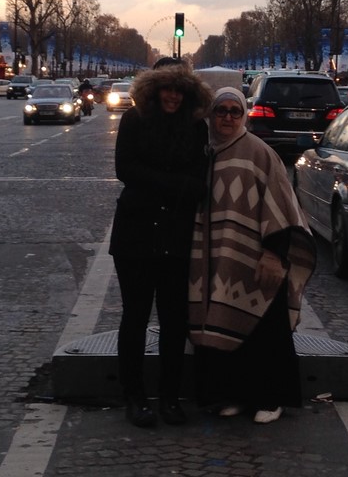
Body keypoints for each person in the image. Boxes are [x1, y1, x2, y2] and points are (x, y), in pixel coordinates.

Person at [188, 86, 317, 424]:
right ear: (211, 115)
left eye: (235, 111)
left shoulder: (259, 152)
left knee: (264, 329)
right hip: (218, 256)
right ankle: (236, 394)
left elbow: (281, 205)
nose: (228, 117)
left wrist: (274, 254)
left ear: (244, 114)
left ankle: (271, 397)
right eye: (221, 111)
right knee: (225, 321)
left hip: (256, 254)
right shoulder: (206, 151)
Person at [109, 57, 212, 427]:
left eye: (179, 90)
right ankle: (134, 396)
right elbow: (124, 170)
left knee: (174, 320)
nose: (173, 96)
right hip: (136, 236)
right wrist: (177, 184)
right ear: (154, 90)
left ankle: (169, 397)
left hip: (175, 234)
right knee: (135, 317)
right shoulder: (133, 120)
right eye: (167, 88)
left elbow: (199, 181)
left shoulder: (196, 127)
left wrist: (157, 181)